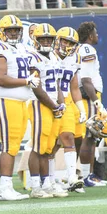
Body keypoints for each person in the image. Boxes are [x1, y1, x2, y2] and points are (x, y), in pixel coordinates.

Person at [0, 16, 41, 200]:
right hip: (4, 100)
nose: (14, 33)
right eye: (10, 30)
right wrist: (27, 81)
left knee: (15, 144)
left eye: (16, 30)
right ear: (2, 31)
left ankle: (7, 186)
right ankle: (4, 188)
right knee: (9, 145)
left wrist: (33, 74)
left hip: (19, 102)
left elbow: (34, 67)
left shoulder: (23, 47)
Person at [23, 24, 69, 198]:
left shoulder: (54, 57)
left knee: (49, 147)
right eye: (43, 39)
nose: (46, 42)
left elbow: (56, 84)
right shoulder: (32, 57)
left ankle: (47, 182)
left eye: (49, 39)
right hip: (38, 104)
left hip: (53, 105)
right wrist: (53, 104)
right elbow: (37, 86)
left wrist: (61, 102)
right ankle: (36, 186)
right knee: (38, 147)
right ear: (36, 40)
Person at [52, 26, 86, 192]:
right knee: (51, 144)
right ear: (58, 40)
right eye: (64, 40)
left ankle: (71, 176)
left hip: (68, 101)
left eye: (71, 42)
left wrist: (82, 109)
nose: (67, 45)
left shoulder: (75, 58)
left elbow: (74, 87)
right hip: (49, 100)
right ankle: (49, 180)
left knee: (70, 137)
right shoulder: (48, 55)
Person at [75, 22, 105, 187]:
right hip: (89, 95)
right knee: (89, 136)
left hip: (88, 95)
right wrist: (96, 100)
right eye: (95, 32)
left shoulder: (81, 50)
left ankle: (88, 175)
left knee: (91, 137)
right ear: (89, 35)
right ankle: (86, 177)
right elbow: (86, 79)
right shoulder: (87, 49)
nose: (97, 35)